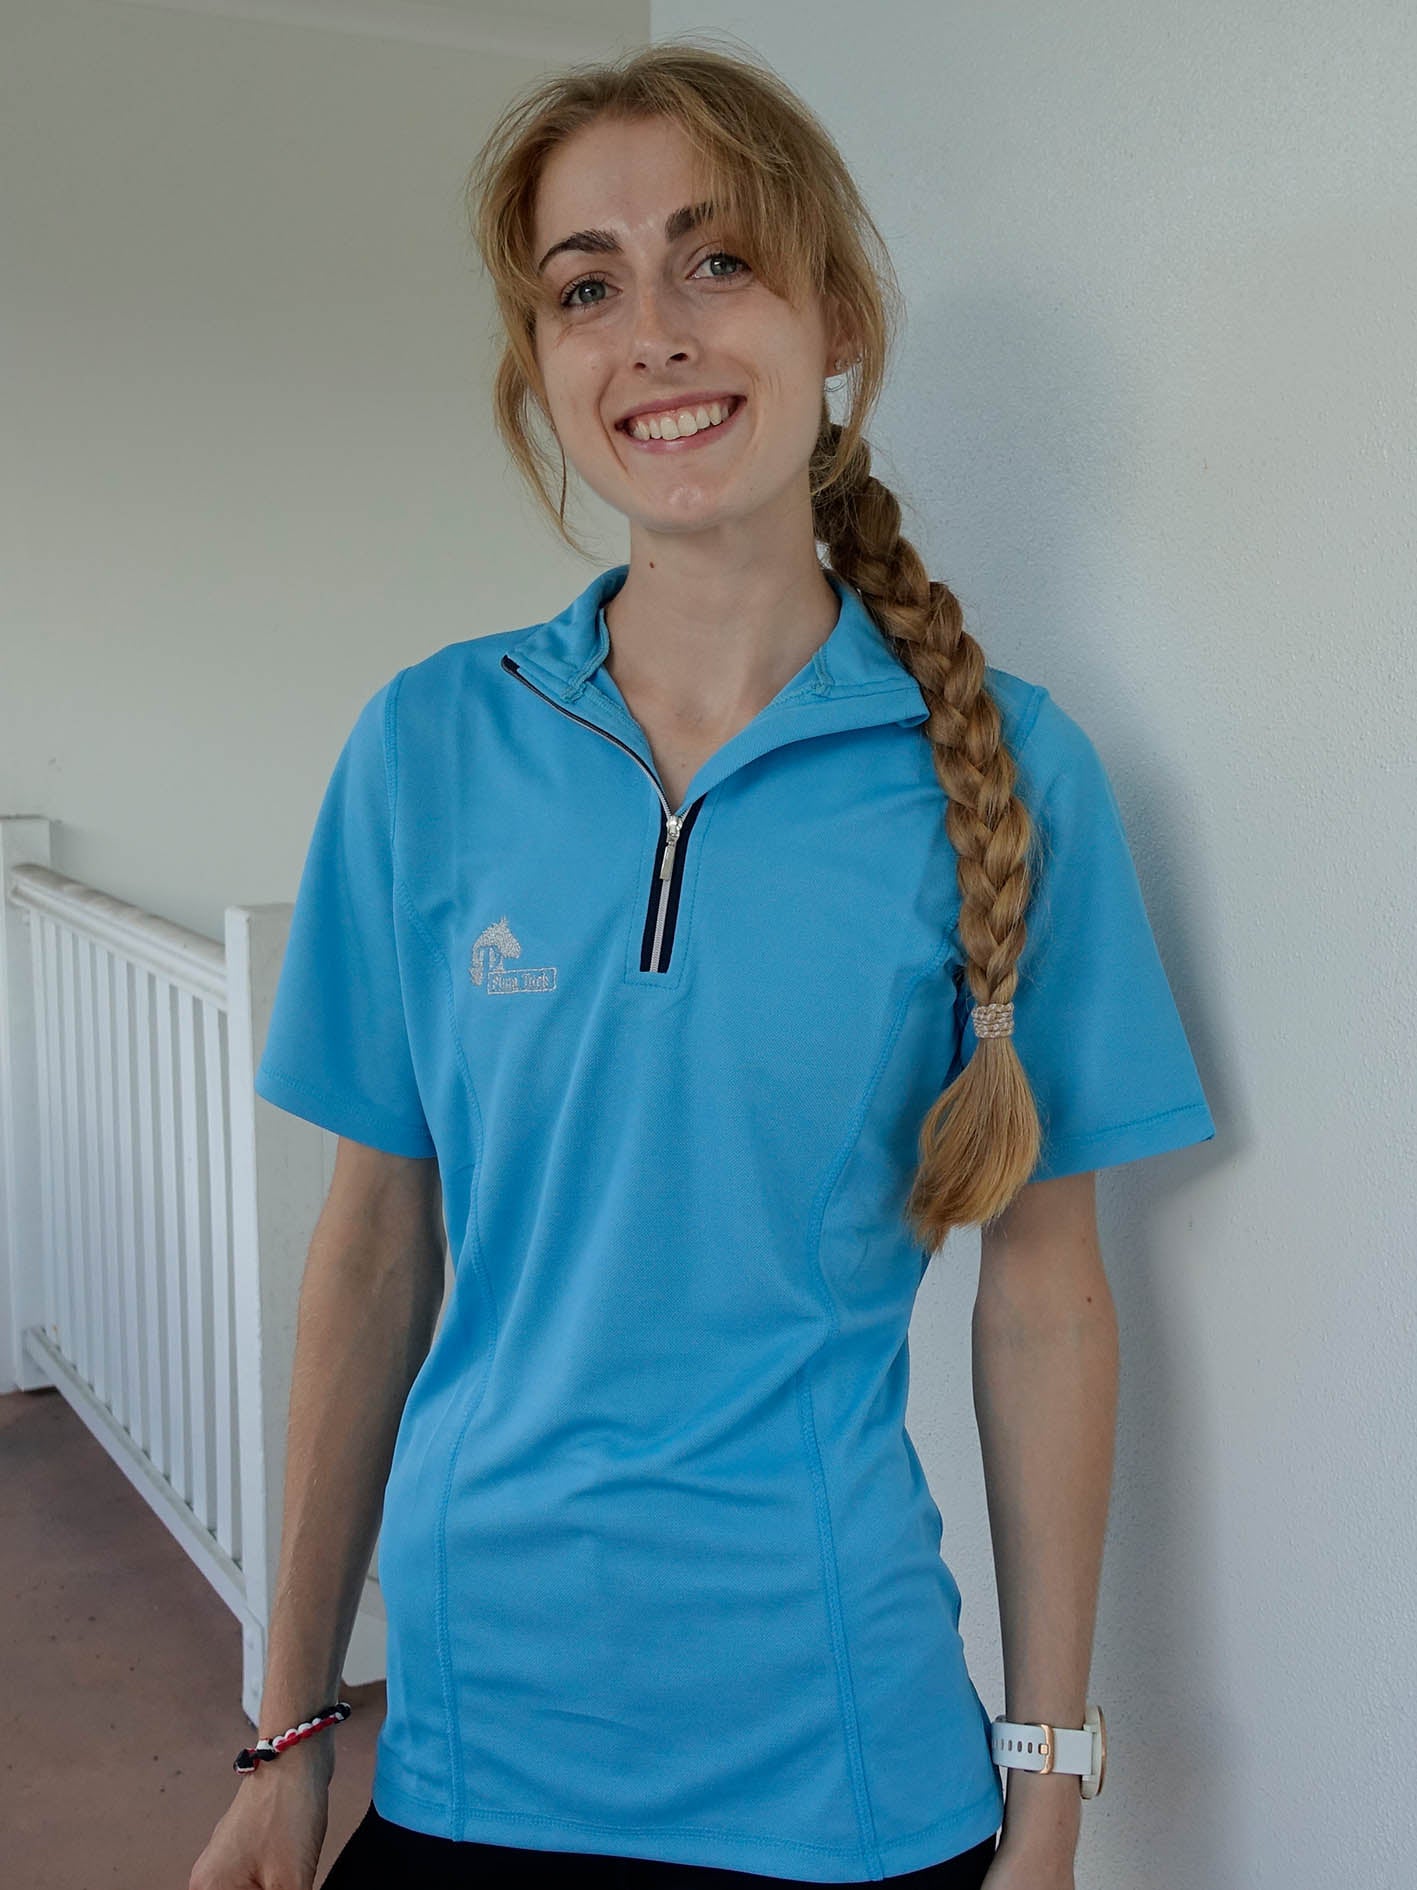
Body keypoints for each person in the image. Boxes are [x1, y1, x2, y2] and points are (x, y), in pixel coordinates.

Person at [189, 37, 1215, 1890]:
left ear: (837, 320)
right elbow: (370, 1253)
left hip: (843, 1761)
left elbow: (1045, 1299)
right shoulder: (429, 747)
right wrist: (286, 1732)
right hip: (469, 1749)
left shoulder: (1012, 770)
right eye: (586, 286)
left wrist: (1049, 1787)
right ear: (544, 372)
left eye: (715, 258)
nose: (651, 329)